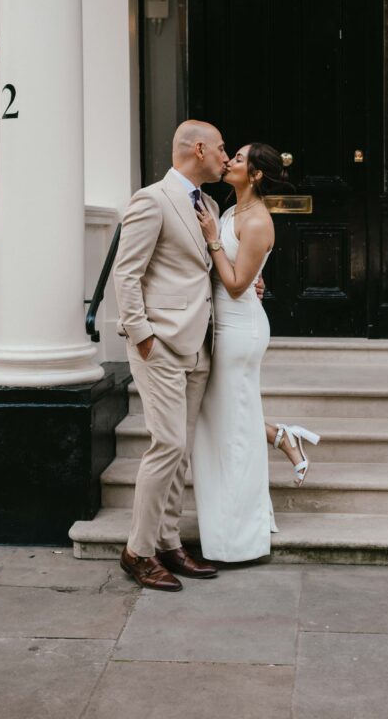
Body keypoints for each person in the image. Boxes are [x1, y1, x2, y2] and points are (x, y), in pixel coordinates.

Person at [113, 119, 228, 592]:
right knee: (168, 446)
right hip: (159, 342)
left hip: (200, 344)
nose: (225, 156)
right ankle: (137, 551)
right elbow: (126, 273)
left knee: (180, 452)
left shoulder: (212, 205)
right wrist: (142, 336)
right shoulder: (151, 200)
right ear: (197, 149)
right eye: (220, 148)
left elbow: (202, 271)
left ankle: (168, 542)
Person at [192, 143, 320, 563]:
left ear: (257, 175)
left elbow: (233, 284)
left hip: (240, 331)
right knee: (227, 421)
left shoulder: (259, 221)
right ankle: (281, 436)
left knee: (233, 432)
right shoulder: (230, 212)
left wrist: (212, 240)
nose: (229, 161)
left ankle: (239, 541)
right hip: (222, 327)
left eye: (240, 159)